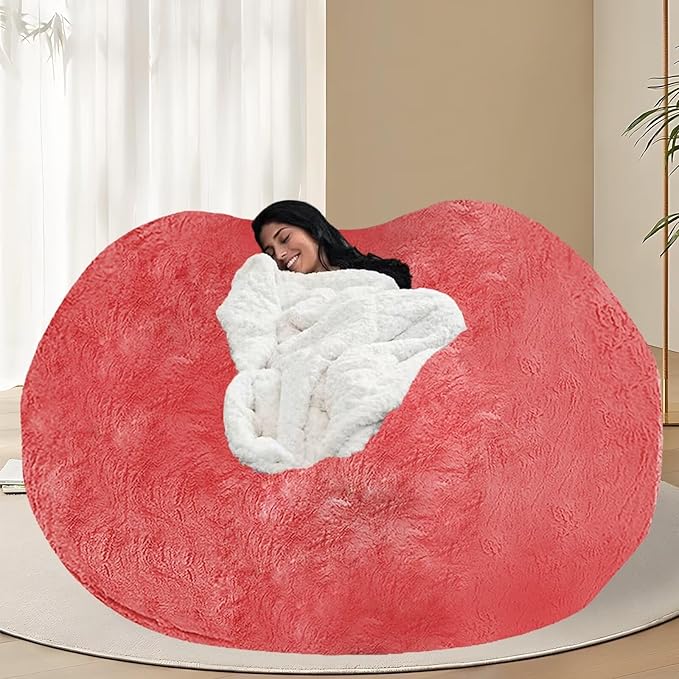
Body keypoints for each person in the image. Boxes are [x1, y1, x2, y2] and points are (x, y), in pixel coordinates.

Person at [251, 199, 412, 289]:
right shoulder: (281, 296)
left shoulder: (382, 274)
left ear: (312, 228)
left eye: (285, 238)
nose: (279, 255)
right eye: (271, 254)